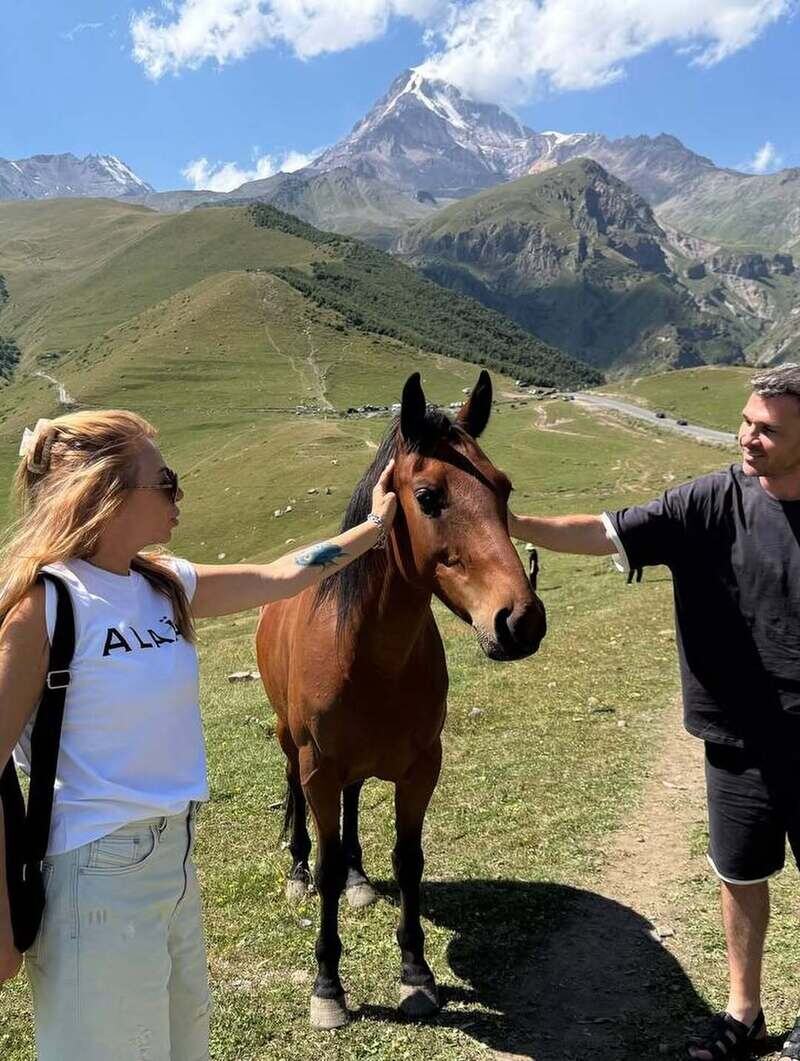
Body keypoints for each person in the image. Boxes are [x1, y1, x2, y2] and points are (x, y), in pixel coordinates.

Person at [0, 409, 396, 1060]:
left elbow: (283, 574)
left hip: (175, 864)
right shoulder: (46, 606)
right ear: (109, 493)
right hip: (94, 876)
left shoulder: (161, 582)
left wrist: (373, 529)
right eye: (167, 480)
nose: (180, 495)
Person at [508, 363, 800, 1061]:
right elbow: (604, 532)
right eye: (746, 421)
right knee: (739, 874)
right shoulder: (711, 502)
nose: (748, 437)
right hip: (735, 738)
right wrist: (508, 522)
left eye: (768, 429)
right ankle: (744, 1015)